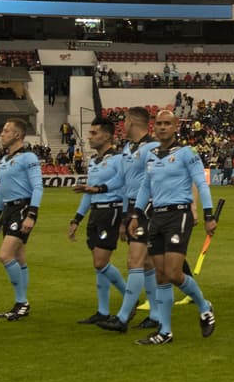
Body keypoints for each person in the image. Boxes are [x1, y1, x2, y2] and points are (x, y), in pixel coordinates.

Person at [127, 110, 217, 345]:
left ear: (175, 126)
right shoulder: (153, 155)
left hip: (179, 215)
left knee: (174, 273)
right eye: (159, 124)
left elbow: (201, 183)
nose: (163, 127)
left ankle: (204, 307)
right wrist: (136, 214)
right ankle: (165, 331)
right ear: (154, 127)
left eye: (167, 123)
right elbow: (145, 187)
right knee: (160, 276)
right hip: (156, 216)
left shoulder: (188, 153)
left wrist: (208, 214)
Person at [98, 107, 160, 333]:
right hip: (133, 207)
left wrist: (138, 212)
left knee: (134, 262)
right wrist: (100, 188)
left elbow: (154, 182)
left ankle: (123, 318)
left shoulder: (152, 147)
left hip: (148, 207)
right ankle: (156, 314)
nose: (122, 125)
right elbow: (123, 182)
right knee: (146, 263)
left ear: (132, 121)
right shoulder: (128, 148)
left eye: (124, 121)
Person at [67, 117, 127, 324]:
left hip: (111, 211)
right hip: (95, 213)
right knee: (100, 265)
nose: (90, 137)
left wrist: (125, 219)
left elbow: (125, 188)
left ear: (108, 135)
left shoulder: (119, 159)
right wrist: (77, 218)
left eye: (94, 133)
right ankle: (102, 311)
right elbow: (88, 193)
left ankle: (131, 297)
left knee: (100, 262)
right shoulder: (93, 161)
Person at [0, 117, 43, 321]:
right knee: (19, 257)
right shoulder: (4, 160)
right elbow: (1, 191)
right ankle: (21, 304)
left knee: (5, 255)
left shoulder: (28, 158)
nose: (1, 134)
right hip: (9, 211)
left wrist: (32, 214)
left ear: (17, 135)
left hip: (23, 208)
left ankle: (22, 302)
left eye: (5, 130)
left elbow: (38, 186)